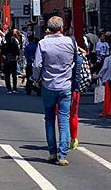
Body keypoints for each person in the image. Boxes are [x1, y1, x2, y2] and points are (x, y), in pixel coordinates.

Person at [32, 16, 75, 166]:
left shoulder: (43, 43)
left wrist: (36, 79)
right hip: (65, 86)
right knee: (63, 120)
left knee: (49, 118)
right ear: (62, 28)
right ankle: (63, 154)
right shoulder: (71, 42)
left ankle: (52, 152)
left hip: (48, 85)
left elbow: (37, 65)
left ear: (49, 28)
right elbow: (77, 61)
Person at [1, 28, 21, 94]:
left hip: (7, 60)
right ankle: (15, 88)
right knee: (14, 75)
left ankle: (8, 89)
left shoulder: (4, 46)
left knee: (7, 75)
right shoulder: (14, 45)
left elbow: (3, 55)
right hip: (13, 60)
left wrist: (4, 61)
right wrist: (16, 59)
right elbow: (18, 54)